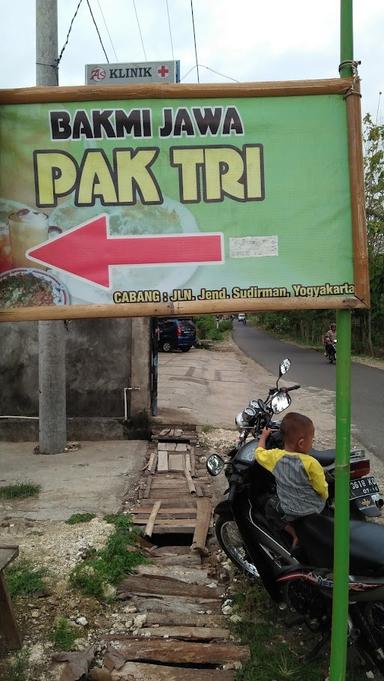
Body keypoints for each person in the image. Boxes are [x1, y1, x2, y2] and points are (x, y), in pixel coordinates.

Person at [255, 412, 328, 548]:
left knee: (270, 508)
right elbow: (321, 488)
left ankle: (293, 533)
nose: (312, 443)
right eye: (311, 440)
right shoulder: (312, 463)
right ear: (301, 443)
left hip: (289, 511)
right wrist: (324, 498)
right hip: (314, 508)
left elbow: (259, 454)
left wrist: (263, 437)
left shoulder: (275, 457)